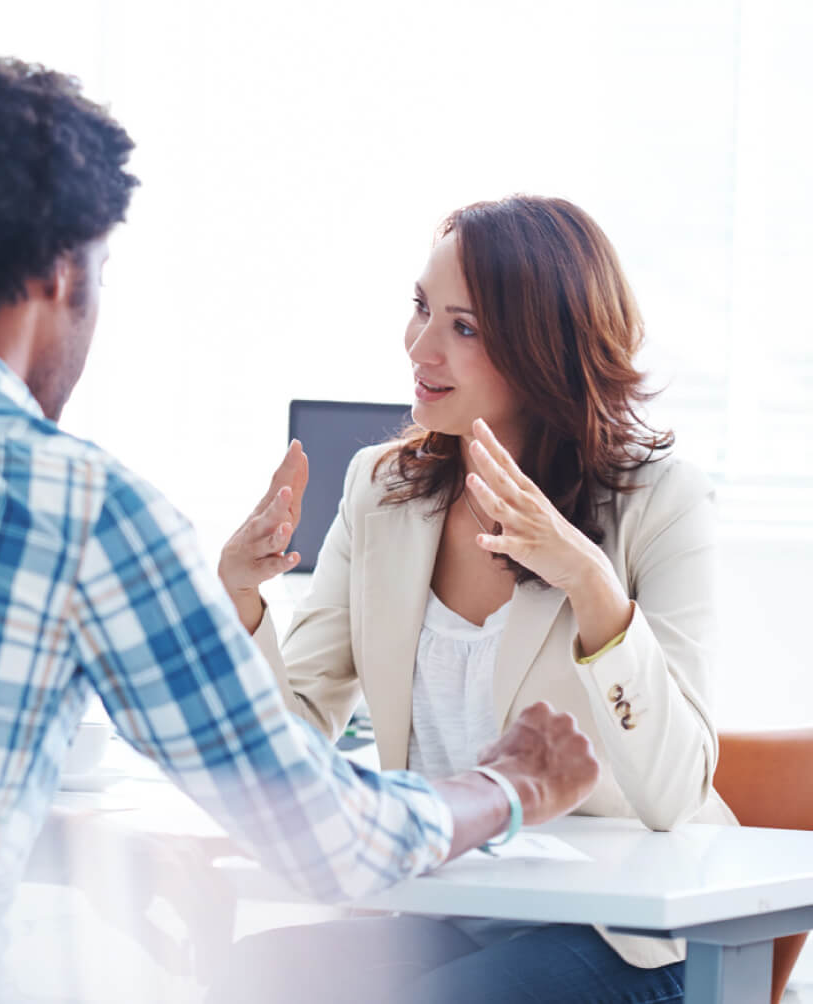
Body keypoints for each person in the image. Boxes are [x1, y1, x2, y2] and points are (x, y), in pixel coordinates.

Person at [0, 54, 600, 1002]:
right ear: (62, 273)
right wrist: (508, 784)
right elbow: (328, 842)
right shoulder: (79, 502)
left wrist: (83, 845)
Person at [213, 195, 732, 1003]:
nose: (421, 346)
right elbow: (297, 740)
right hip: (443, 912)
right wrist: (245, 604)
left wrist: (589, 581)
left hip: (624, 939)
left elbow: (674, 795)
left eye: (465, 328)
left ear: (544, 350)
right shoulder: (380, 490)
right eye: (422, 308)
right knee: (250, 975)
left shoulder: (663, 502)